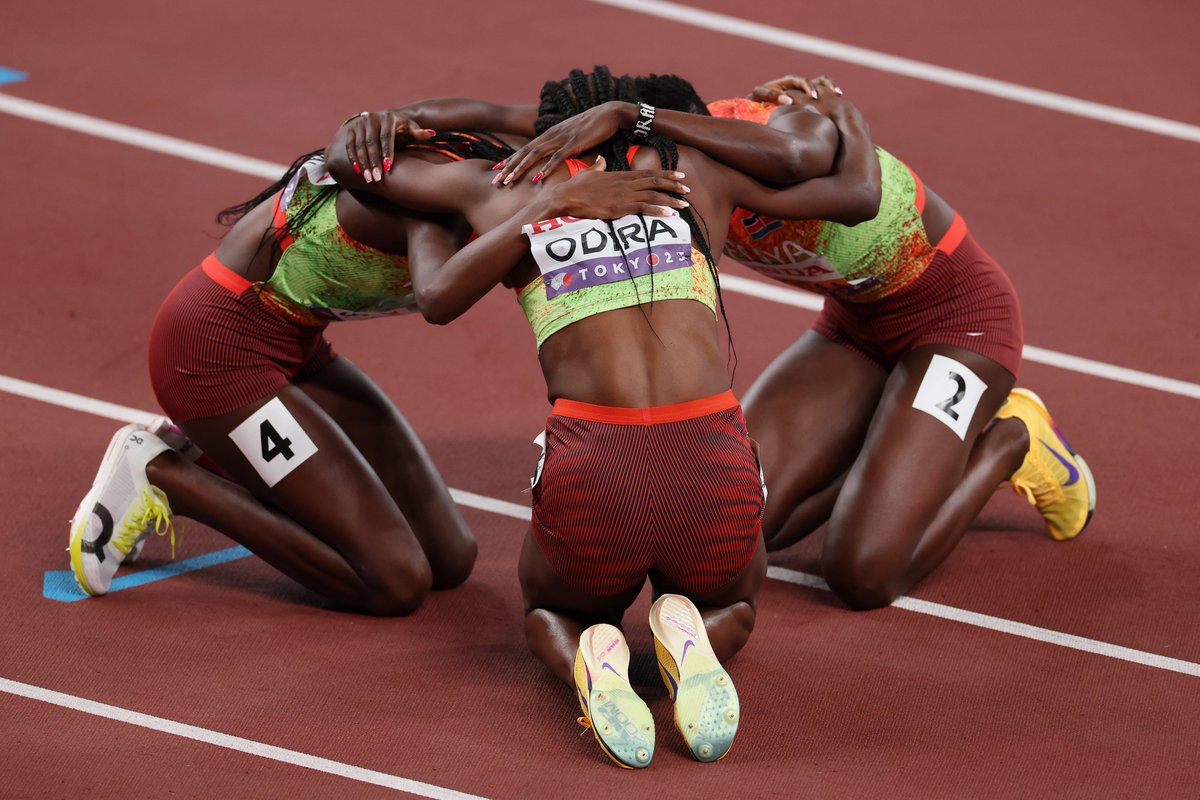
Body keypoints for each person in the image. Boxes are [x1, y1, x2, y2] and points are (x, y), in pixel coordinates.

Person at [325, 66, 880, 765]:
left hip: (594, 460)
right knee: (734, 602)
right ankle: (696, 635)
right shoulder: (698, 169)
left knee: (549, 610)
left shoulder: (496, 187)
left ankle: (588, 648)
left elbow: (348, 169)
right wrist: (843, 111)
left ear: (550, 126)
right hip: (708, 451)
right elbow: (856, 193)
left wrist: (366, 125)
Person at [491, 73, 1098, 611]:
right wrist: (412, 125)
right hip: (853, 327)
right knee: (752, 523)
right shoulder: (651, 182)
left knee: (862, 572)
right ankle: (896, 441)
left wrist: (847, 114)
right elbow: (519, 123)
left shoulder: (759, 138)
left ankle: (1010, 440)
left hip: (956, 323)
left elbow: (856, 195)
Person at [67, 126, 685, 615]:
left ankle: (214, 447)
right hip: (213, 353)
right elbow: (440, 297)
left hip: (296, 348)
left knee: (449, 559)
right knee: (394, 582)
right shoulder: (442, 192)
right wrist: (550, 204)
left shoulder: (515, 174)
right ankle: (166, 474)